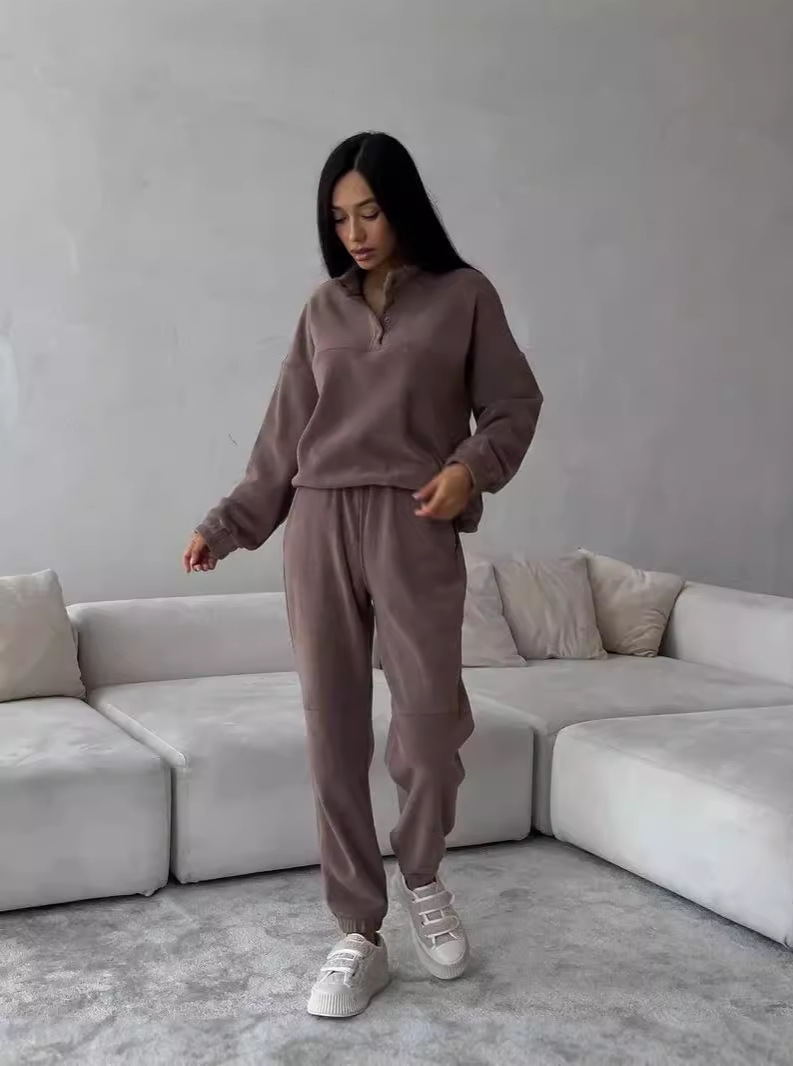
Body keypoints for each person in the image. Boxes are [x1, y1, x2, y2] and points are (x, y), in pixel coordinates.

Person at [183, 131, 543, 1019]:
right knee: (332, 729)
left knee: (428, 721)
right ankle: (357, 930)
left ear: (402, 206)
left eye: (370, 212)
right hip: (318, 522)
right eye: (339, 217)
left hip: (414, 521)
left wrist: (468, 470)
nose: (354, 232)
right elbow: (282, 440)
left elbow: (512, 404)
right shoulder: (321, 309)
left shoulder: (464, 295)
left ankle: (421, 875)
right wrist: (226, 526)